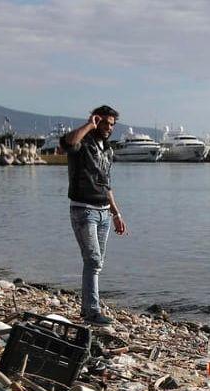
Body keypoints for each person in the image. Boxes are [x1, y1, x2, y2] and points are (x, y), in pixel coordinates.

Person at [62, 104, 127, 325]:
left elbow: (106, 184)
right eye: (106, 123)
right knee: (93, 259)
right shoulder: (83, 143)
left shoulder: (107, 149)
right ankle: (91, 311)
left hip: (104, 213)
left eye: (112, 125)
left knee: (96, 263)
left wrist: (117, 213)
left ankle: (90, 308)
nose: (109, 128)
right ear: (97, 120)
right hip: (83, 210)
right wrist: (89, 124)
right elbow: (67, 143)